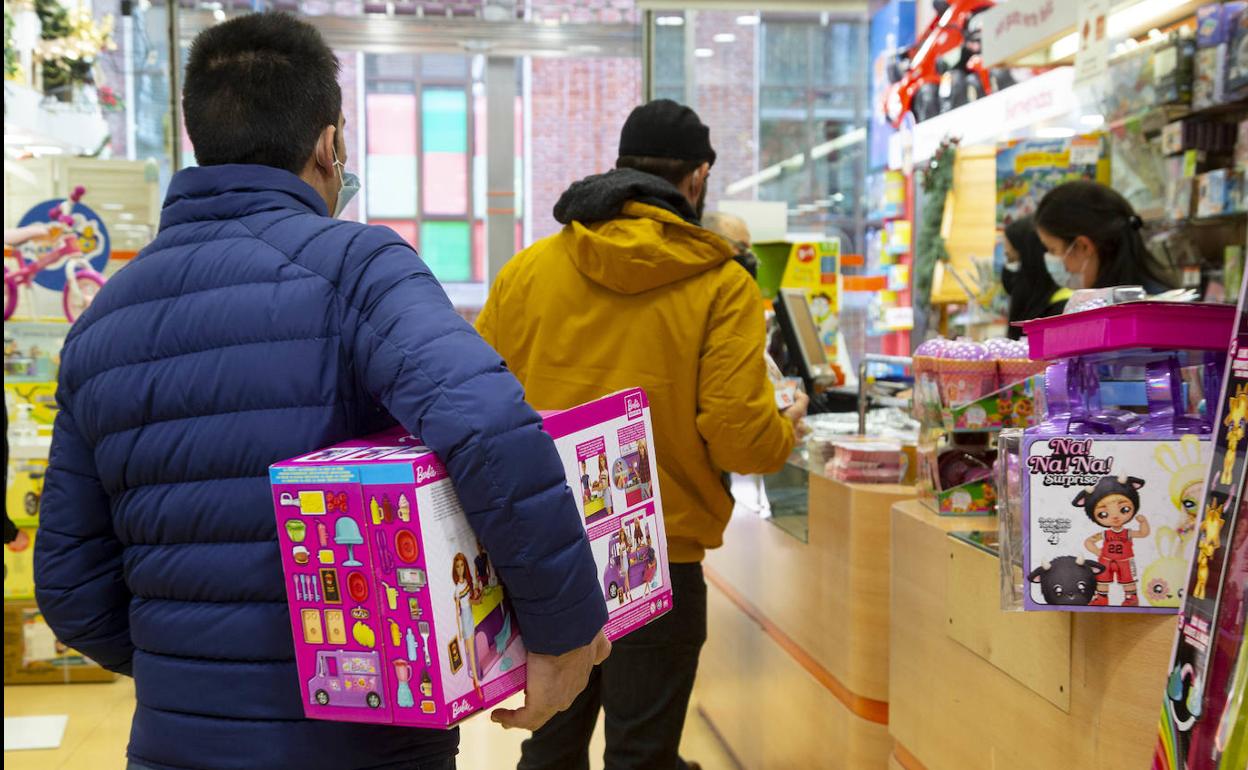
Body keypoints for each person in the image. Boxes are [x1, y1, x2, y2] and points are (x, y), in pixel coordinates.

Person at [32, 13, 609, 770]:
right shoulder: (357, 266)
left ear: (199, 136)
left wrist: (198, 669)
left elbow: (70, 583)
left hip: (175, 744)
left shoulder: (103, 320)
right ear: (330, 144)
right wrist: (565, 629)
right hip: (362, 742)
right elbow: (491, 428)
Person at [477, 99, 807, 770]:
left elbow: (480, 405)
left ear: (620, 170)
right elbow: (742, 439)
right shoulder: (722, 284)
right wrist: (784, 426)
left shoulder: (529, 270)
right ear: (697, 179)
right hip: (659, 556)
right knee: (643, 753)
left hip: (546, 549)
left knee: (552, 742)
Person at [1034, 180, 1176, 294]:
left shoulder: (1131, 314)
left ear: (1084, 246)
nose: (1050, 260)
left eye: (1052, 249)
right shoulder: (1157, 299)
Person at [1000, 216, 1071, 340]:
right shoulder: (1035, 304)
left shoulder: (1063, 309)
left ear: (1032, 260)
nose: (1008, 268)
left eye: (1011, 259)